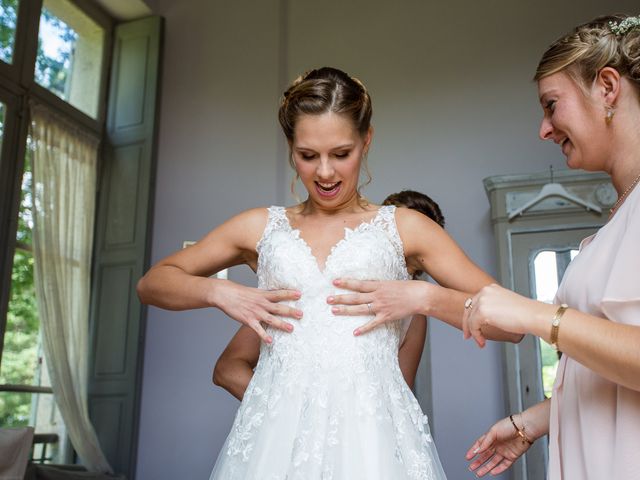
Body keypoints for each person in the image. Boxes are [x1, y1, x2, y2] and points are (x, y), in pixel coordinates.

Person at [137, 67, 516, 479]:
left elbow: (511, 324)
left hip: (373, 443)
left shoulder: (404, 228)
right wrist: (219, 293)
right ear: (290, 147)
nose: (324, 173)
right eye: (307, 155)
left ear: (366, 140)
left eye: (341, 153)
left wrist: (423, 297)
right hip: (273, 442)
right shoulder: (261, 227)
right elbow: (152, 283)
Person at [462, 14, 640, 479]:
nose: (544, 129)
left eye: (551, 104)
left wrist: (533, 314)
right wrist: (532, 422)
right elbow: (610, 367)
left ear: (606, 87)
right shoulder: (622, 212)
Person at [212, 190, 445, 401]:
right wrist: (279, 413)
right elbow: (228, 368)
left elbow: (396, 399)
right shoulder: (313, 287)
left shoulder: (414, 318)